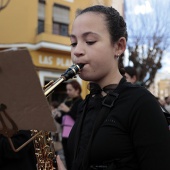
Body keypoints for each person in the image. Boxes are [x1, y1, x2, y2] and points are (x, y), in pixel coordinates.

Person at [57, 5, 170, 170]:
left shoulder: (142, 103)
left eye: (90, 41)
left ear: (119, 46)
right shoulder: (85, 104)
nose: (77, 51)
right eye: (73, 43)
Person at [55, 80, 83, 169]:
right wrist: (57, 116)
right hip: (65, 135)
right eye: (67, 90)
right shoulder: (68, 102)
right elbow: (63, 120)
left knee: (73, 160)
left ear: (77, 90)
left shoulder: (81, 103)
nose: (68, 92)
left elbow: (79, 119)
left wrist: (68, 110)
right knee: (67, 159)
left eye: (70, 90)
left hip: (74, 136)